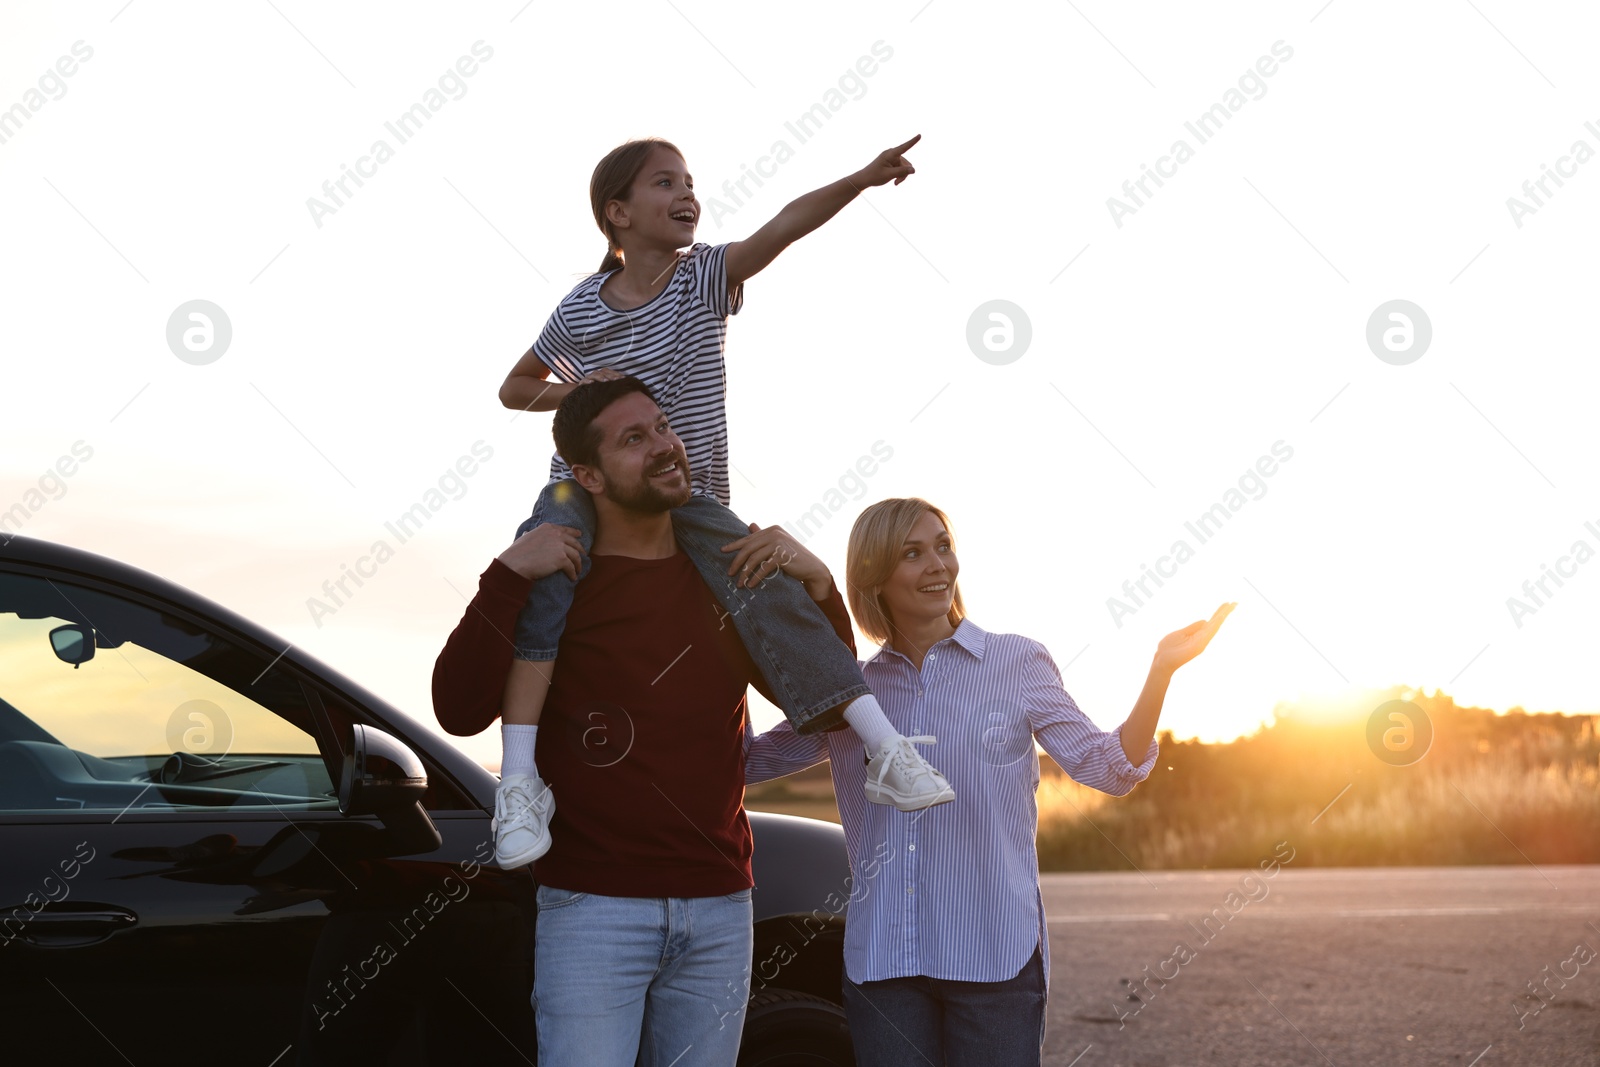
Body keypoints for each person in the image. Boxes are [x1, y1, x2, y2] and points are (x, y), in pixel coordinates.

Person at [489, 133, 951, 869]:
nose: (686, 195)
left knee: (762, 581)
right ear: (617, 212)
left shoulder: (701, 277)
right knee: (547, 582)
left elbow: (784, 226)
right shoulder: (578, 309)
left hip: (688, 493)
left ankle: (885, 747)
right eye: (664, 183)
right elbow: (514, 386)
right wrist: (571, 389)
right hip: (585, 487)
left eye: (689, 181)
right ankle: (517, 784)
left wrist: (861, 179)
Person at [431, 378, 858, 1066]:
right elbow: (457, 706)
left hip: (720, 906)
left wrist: (819, 585)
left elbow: (830, 702)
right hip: (592, 909)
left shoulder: (725, 576)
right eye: (635, 438)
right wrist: (508, 571)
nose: (664, 446)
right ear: (587, 475)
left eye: (663, 426)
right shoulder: (558, 577)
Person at [746, 498, 1235, 1067]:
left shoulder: (1017, 663)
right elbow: (749, 763)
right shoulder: (849, 691)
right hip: (885, 965)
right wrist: (730, 659)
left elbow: (1109, 768)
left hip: (994, 957)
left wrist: (1160, 671)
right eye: (912, 553)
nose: (937, 565)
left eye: (943, 546)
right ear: (874, 577)